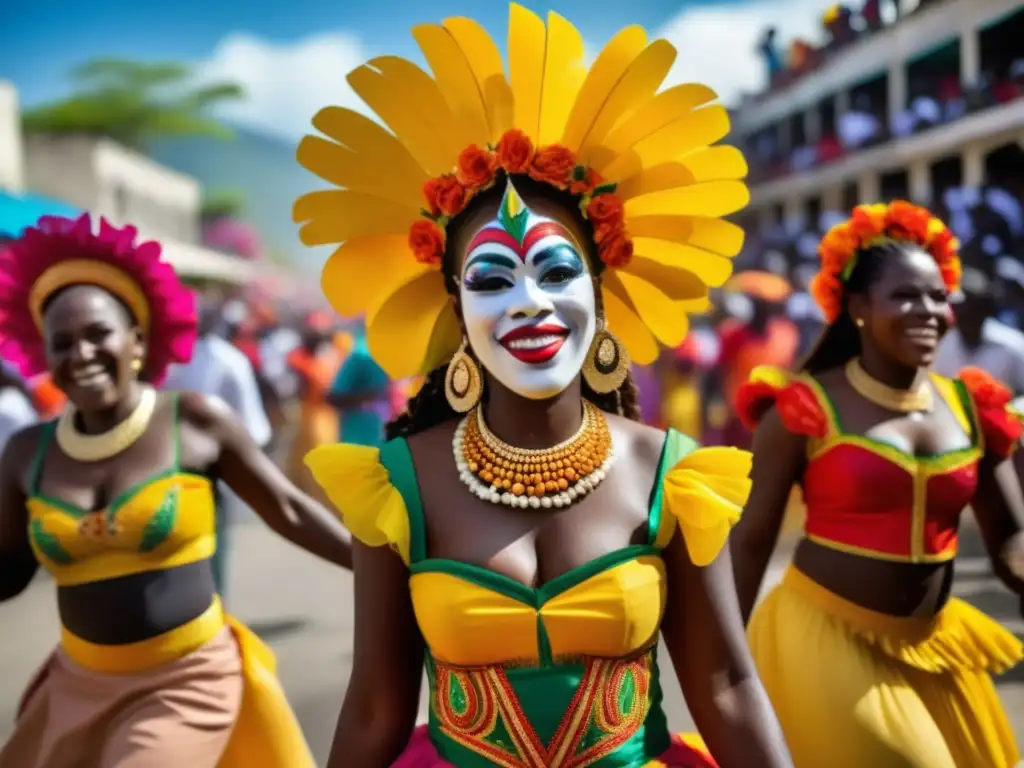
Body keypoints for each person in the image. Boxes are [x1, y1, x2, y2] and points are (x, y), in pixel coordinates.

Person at [296, 6, 793, 766]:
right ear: (457, 308)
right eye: (493, 278)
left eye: (557, 271)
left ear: (600, 292)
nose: (529, 301)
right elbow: (373, 706)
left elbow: (724, 683)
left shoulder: (672, 475)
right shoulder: (397, 484)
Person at [0, 214, 351, 767]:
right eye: (62, 342)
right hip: (76, 685)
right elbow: (9, 571)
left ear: (136, 340)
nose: (82, 354)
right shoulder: (27, 452)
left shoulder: (194, 422)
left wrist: (392, 569)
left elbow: (287, 508)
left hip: (187, 680)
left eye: (98, 334)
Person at [730, 201, 1024, 768]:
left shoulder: (972, 407)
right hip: (819, 638)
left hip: (934, 647)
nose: (929, 310)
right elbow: (750, 539)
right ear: (858, 308)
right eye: (906, 296)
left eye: (939, 296)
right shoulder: (801, 410)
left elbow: (1010, 539)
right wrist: (724, 667)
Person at [162, 296, 273, 599]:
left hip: (207, 470)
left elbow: (250, 425)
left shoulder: (228, 360)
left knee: (210, 551)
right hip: (164, 470)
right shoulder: (170, 358)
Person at [933, 266, 1024, 394]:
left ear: (986, 308)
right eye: (960, 306)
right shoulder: (937, 343)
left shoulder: (1013, 345)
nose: (966, 312)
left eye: (974, 307)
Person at [326, 321, 392, 447]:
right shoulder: (386, 354)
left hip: (357, 432)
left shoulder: (358, 356)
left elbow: (334, 396)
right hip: (378, 427)